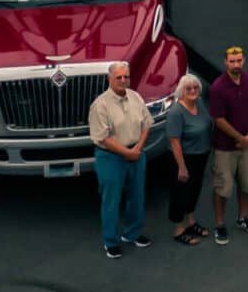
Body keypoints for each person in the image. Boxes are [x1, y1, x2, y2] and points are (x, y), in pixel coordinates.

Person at [88, 60, 151, 257]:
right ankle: (111, 241)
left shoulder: (136, 97)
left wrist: (138, 148)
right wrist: (127, 152)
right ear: (110, 79)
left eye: (126, 77)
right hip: (111, 157)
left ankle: (132, 233)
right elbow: (103, 137)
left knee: (137, 196)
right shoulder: (100, 105)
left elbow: (147, 123)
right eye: (119, 77)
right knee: (111, 200)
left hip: (136, 152)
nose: (123, 80)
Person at [207, 47, 248, 241]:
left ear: (244, 60)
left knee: (247, 184)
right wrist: (240, 138)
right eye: (232, 61)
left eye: (239, 60)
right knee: (223, 187)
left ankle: (243, 217)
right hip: (225, 149)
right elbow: (219, 119)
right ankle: (220, 224)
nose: (236, 64)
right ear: (225, 62)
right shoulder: (217, 87)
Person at [163, 72, 211, 245]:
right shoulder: (176, 112)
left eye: (196, 87)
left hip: (201, 155)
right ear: (181, 91)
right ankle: (179, 229)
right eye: (188, 88)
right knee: (180, 193)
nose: (193, 90)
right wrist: (181, 167)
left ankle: (191, 222)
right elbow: (174, 142)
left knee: (195, 189)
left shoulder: (199, 103)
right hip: (183, 158)